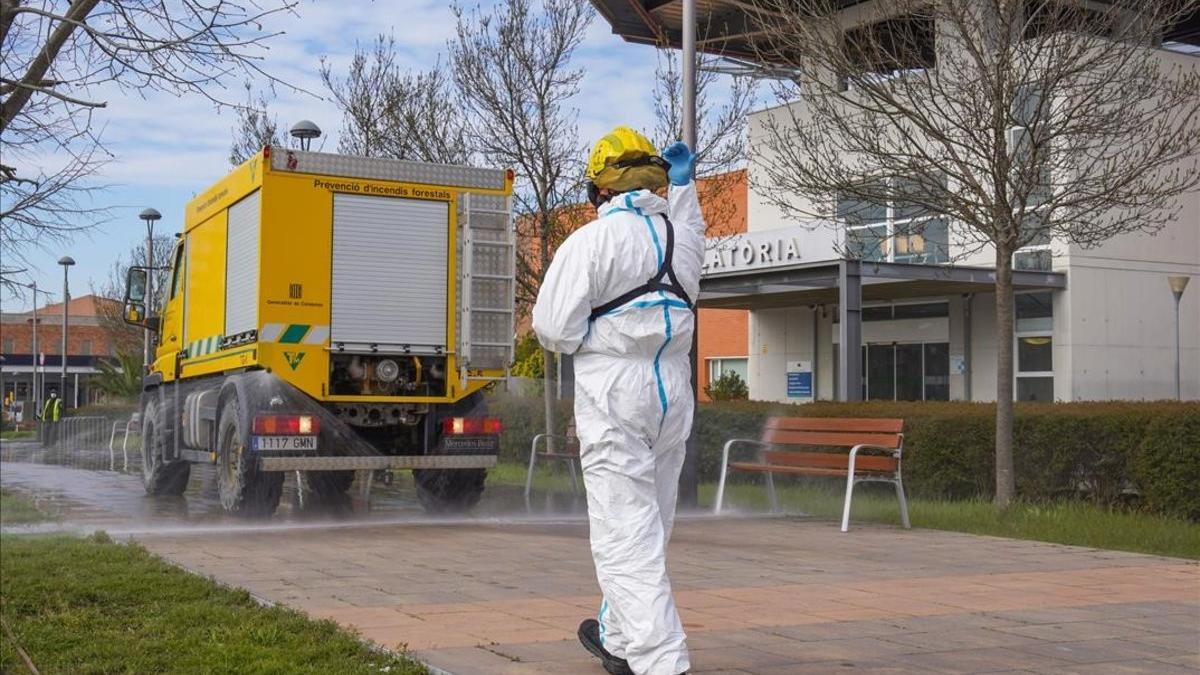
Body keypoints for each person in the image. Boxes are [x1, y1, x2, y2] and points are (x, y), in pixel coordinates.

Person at [532, 126, 703, 675]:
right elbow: (691, 230)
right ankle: (621, 639)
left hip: (615, 394)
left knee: (624, 533)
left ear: (598, 189)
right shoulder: (684, 239)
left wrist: (596, 338)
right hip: (673, 393)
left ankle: (661, 663)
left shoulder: (591, 243)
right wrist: (686, 189)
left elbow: (554, 329)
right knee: (653, 521)